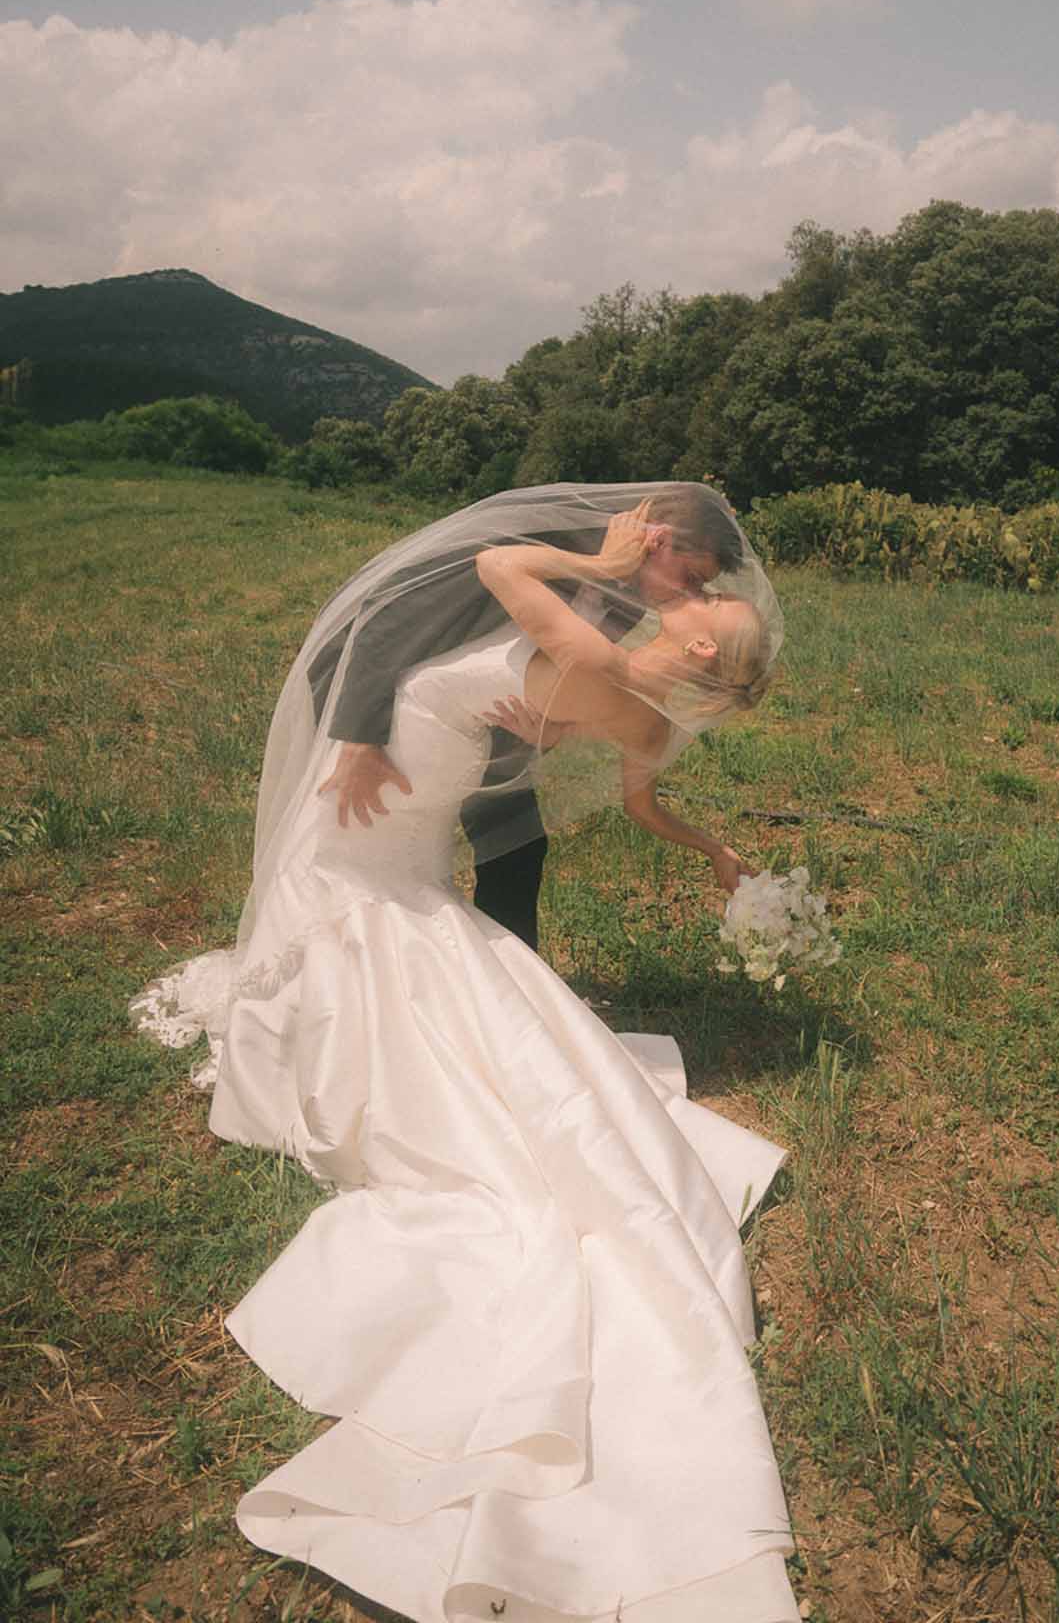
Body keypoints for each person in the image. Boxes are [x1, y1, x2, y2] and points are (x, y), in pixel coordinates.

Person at [132, 483, 800, 1623]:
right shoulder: (651, 712)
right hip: (411, 791)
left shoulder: (587, 639)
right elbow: (643, 802)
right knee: (452, 960)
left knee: (343, 919)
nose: (694, 590)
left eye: (702, 602)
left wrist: (588, 553)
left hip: (381, 800)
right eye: (701, 581)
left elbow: (498, 572)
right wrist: (717, 851)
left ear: (690, 643)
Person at [307, 480, 749, 951]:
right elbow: (388, 616)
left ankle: (507, 982)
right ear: (658, 540)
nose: (691, 591)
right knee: (369, 858)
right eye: (692, 575)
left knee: (517, 843)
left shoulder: (636, 600)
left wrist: (548, 728)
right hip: (380, 692)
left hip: (478, 718)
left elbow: (558, 679)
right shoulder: (545, 539)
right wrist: (360, 739)